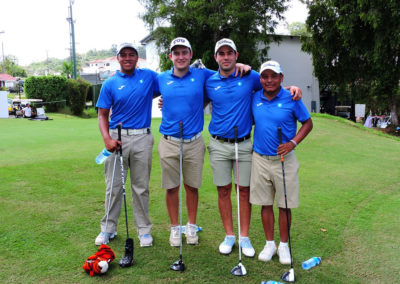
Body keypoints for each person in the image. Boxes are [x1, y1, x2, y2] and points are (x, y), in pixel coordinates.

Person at [205, 39, 302, 258]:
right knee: (223, 190)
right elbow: (193, 97)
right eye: (222, 53)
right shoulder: (208, 80)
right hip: (219, 143)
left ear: (236, 55)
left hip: (245, 143)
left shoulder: (250, 76)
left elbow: (272, 85)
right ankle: (230, 236)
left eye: (230, 52)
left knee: (245, 191)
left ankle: (245, 237)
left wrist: (292, 89)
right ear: (216, 57)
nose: (226, 57)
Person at [157, 37, 250, 247]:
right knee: (171, 188)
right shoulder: (160, 78)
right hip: (169, 140)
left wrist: (241, 65)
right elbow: (142, 92)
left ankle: (191, 225)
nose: (180, 57)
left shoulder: (202, 74)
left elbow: (225, 71)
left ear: (191, 55)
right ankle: (174, 228)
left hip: (194, 141)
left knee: (192, 187)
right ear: (170, 56)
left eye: (184, 52)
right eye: (176, 53)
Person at [95, 43, 157, 247]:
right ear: (118, 58)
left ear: (137, 58)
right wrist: (107, 140)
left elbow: (171, 84)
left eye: (132, 54)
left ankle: (144, 230)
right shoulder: (110, 83)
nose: (128, 58)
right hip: (117, 138)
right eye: (124, 55)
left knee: (141, 188)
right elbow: (102, 114)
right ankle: (108, 228)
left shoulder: (148, 77)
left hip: (142, 137)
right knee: (113, 187)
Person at [250, 60, 312, 264]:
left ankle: (284, 245)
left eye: (273, 76)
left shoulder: (291, 97)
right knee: (265, 204)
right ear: (260, 79)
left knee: (284, 205)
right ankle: (269, 244)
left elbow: (308, 123)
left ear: (281, 78)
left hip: (284, 159)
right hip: (259, 158)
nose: (269, 80)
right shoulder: (254, 97)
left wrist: (293, 143)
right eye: (265, 76)